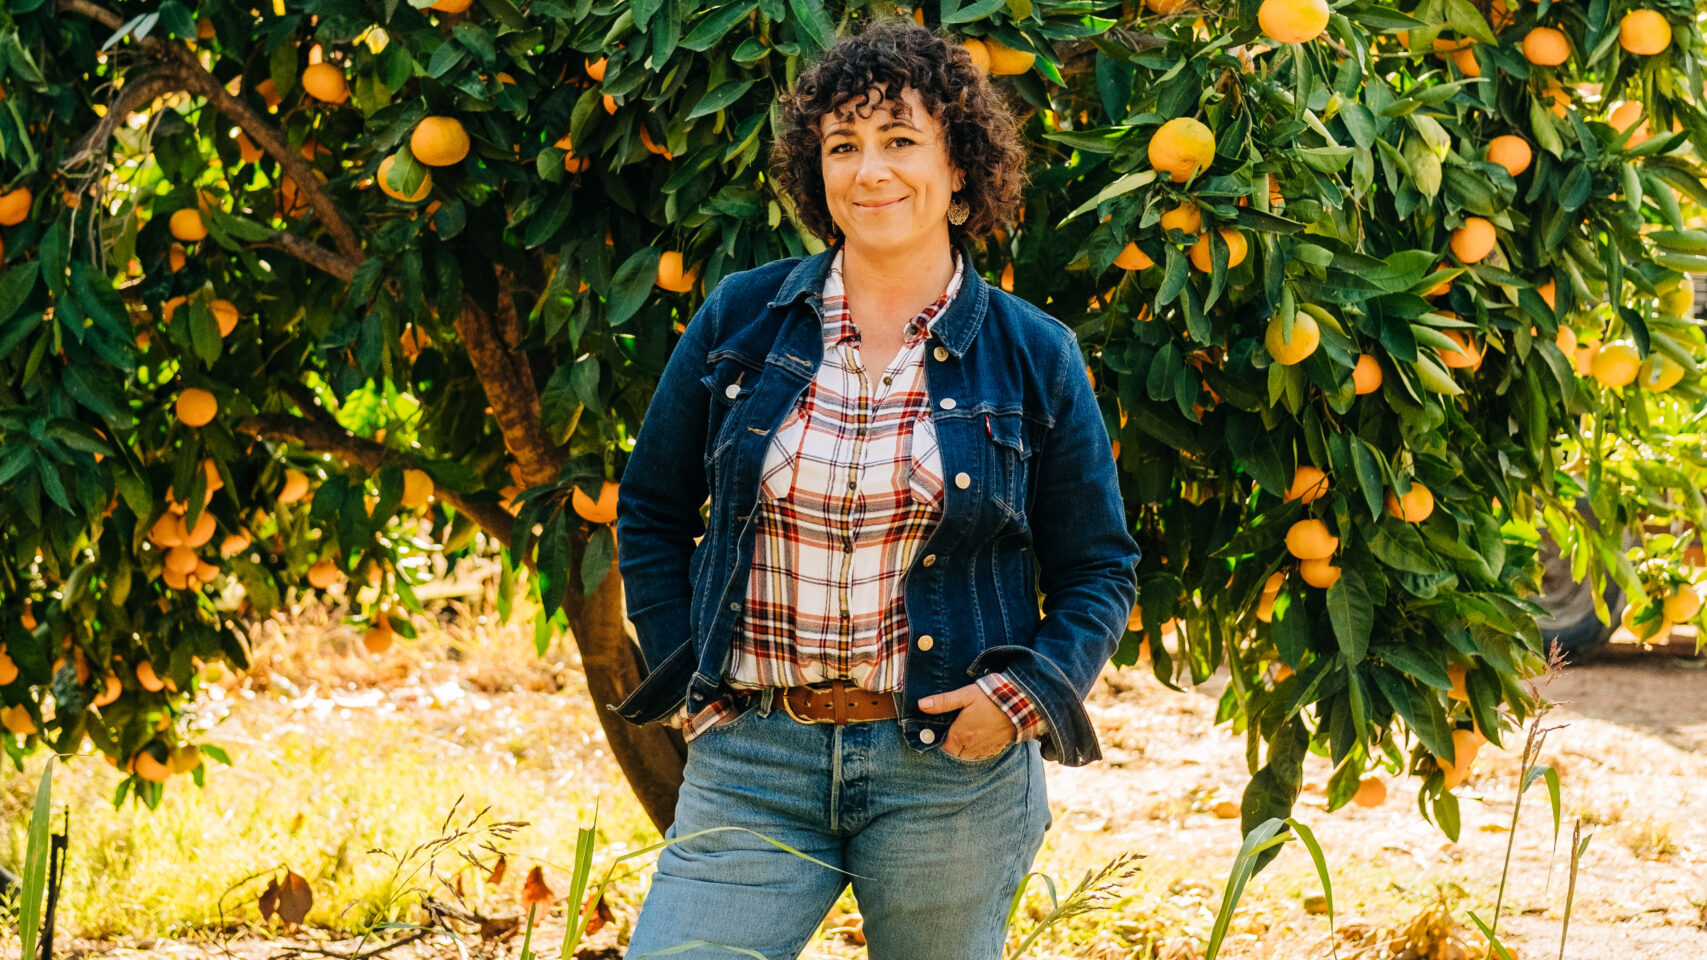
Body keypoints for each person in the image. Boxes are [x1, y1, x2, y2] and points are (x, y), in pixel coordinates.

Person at [612, 17, 1141, 960]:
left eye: (900, 141)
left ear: (960, 168)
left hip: (948, 768)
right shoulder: (744, 316)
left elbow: (1099, 565)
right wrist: (687, 667)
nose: (870, 171)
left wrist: (1022, 698)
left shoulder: (1031, 353)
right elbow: (649, 512)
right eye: (842, 146)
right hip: (755, 756)